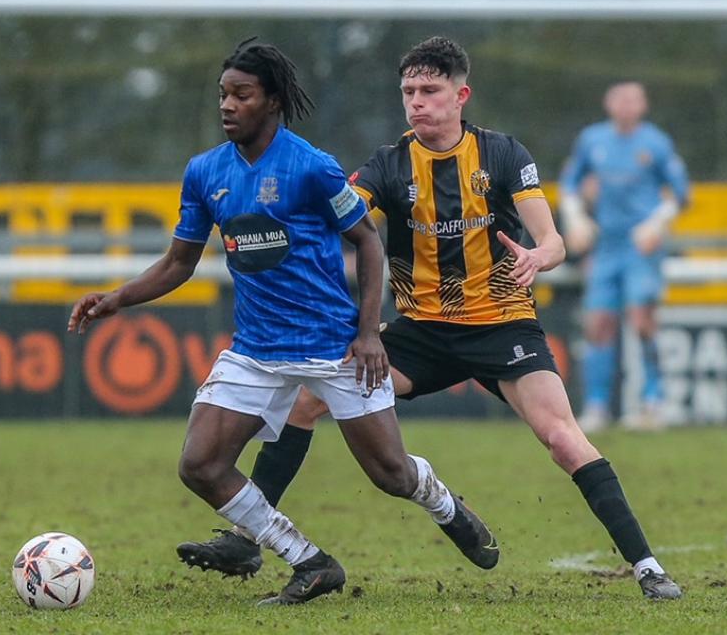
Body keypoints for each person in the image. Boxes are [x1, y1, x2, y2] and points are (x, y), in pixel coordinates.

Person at [183, 36, 682, 600]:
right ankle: (250, 539)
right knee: (308, 401)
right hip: (419, 332)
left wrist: (541, 255)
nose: (417, 102)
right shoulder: (389, 164)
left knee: (563, 439)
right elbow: (345, 225)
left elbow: (552, 240)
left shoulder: (502, 155)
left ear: (460, 95)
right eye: (408, 92)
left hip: (502, 326)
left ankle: (647, 567)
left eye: (429, 91)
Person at [67, 38, 498, 606]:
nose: (227, 105)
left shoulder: (311, 167)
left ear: (271, 101)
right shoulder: (205, 173)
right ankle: (309, 561)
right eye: (223, 94)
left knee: (391, 474)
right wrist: (117, 298)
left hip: (333, 348)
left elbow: (368, 244)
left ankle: (445, 505)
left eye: (241, 95)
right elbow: (178, 262)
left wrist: (369, 334)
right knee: (199, 464)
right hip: (256, 350)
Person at [559, 81, 689, 433]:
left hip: (640, 246)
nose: (626, 105)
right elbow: (570, 184)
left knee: (642, 319)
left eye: (634, 99)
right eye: (620, 98)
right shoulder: (592, 139)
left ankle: (653, 401)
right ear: (608, 102)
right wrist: (576, 218)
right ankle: (597, 406)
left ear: (644, 105)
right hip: (606, 247)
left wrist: (656, 225)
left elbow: (680, 194)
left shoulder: (656, 142)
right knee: (598, 324)